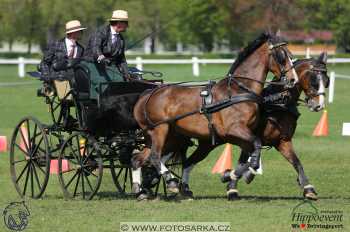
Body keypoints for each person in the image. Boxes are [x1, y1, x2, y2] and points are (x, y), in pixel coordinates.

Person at [39, 20, 86, 100]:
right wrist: (47, 78)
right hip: (58, 80)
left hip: (76, 82)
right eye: (79, 31)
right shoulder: (55, 45)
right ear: (72, 33)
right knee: (66, 99)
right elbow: (44, 63)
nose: (81, 32)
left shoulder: (81, 49)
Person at [85, 10, 130, 80]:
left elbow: (121, 59)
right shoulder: (100, 32)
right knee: (105, 83)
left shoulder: (121, 39)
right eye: (126, 23)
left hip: (108, 67)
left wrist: (127, 73)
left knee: (121, 81)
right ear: (119, 23)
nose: (127, 26)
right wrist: (101, 56)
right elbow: (95, 48)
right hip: (92, 65)